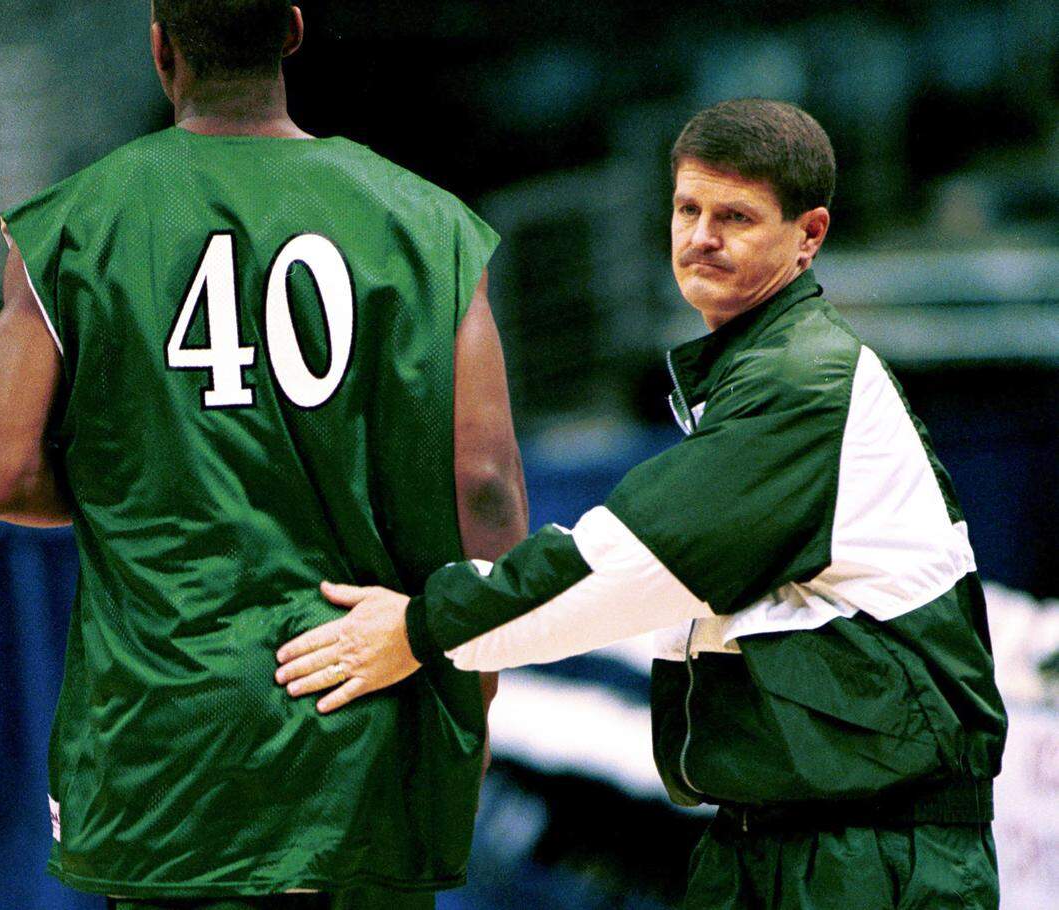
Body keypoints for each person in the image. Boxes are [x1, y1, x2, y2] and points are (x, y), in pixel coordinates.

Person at [275, 99, 1007, 909]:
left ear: (810, 236)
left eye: (736, 216)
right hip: (783, 838)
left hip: (868, 858)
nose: (701, 236)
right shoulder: (759, 372)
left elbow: (620, 568)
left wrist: (421, 629)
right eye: (687, 209)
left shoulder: (803, 383)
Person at [0, 2, 528, 908]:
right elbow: (485, 485)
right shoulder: (431, 223)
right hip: (367, 715)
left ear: (160, 47)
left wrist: (143, 482)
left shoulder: (70, 225)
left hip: (168, 736)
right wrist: (474, 667)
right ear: (294, 34)